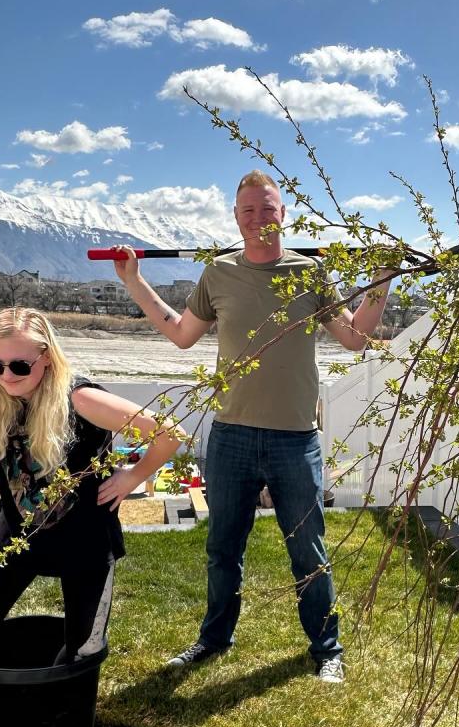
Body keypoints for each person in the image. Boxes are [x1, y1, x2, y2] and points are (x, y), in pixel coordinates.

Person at [113, 170, 395, 683]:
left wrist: (383, 280)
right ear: (236, 217)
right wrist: (133, 280)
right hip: (231, 437)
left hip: (295, 439)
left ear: (283, 214)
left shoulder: (310, 273)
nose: (258, 219)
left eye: (267, 209)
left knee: (308, 549)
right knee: (223, 549)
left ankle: (326, 649)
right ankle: (214, 638)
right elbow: (181, 335)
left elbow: (354, 338)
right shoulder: (218, 275)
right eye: (248, 211)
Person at [0, 308, 181, 667]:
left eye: (20, 366)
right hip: (16, 534)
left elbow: (169, 434)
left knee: (82, 652)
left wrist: (134, 476)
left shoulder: (80, 400)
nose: (7, 376)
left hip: (84, 539)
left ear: (48, 359)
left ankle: (64, 710)